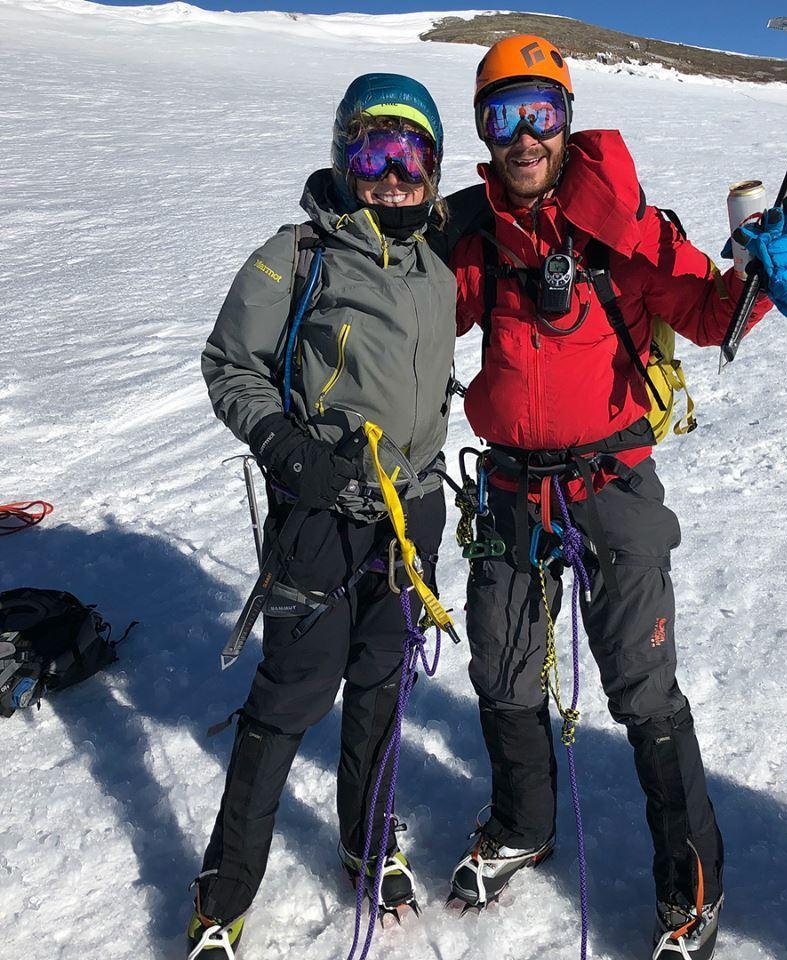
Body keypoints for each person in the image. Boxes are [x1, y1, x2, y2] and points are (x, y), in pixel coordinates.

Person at [431, 34, 787, 960]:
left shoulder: (625, 225)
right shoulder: (476, 235)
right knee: (501, 669)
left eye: (541, 113)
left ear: (566, 121)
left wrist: (762, 273)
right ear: (483, 132)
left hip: (613, 482)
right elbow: (421, 325)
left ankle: (690, 888)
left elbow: (708, 312)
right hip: (515, 488)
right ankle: (524, 825)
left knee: (644, 691)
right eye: (502, 116)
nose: (524, 136)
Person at [188, 73, 456, 959]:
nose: (391, 175)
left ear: (433, 169)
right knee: (288, 702)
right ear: (344, 158)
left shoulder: (436, 266)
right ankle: (223, 898)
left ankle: (368, 845)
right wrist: (287, 449)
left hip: (410, 516)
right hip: (322, 515)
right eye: (373, 152)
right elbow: (231, 363)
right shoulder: (297, 252)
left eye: (410, 156)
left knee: (380, 691)